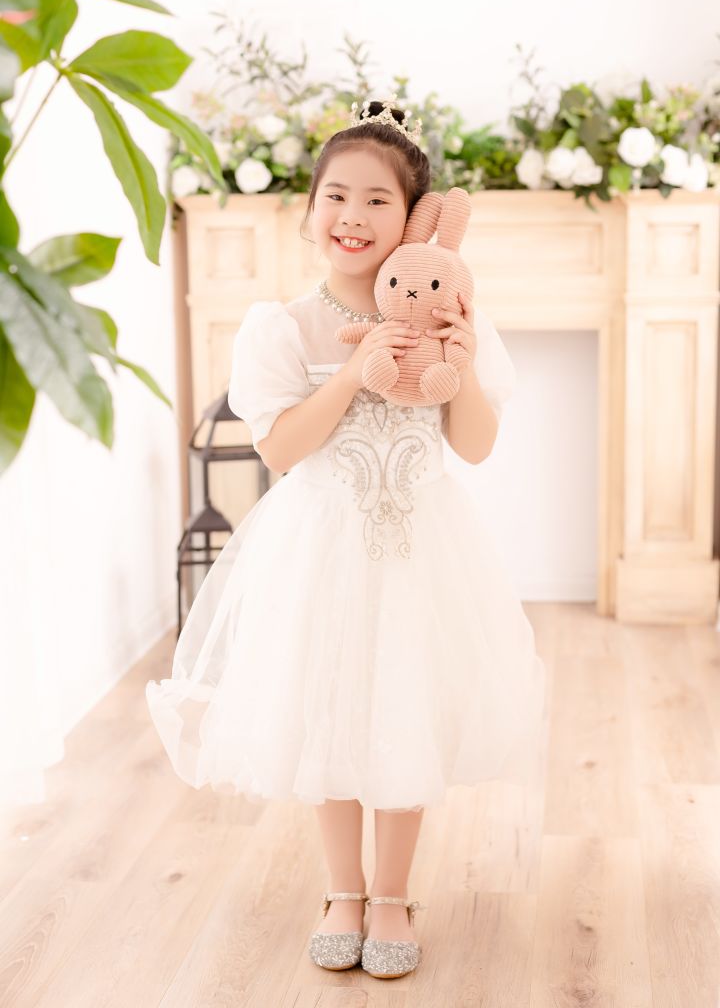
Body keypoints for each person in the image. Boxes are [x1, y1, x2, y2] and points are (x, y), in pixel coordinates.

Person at [145, 96, 546, 980]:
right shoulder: (284, 325)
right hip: (321, 546)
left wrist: (459, 360)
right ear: (311, 208)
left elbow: (476, 446)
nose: (353, 216)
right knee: (325, 707)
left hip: (421, 549)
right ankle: (343, 890)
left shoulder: (453, 314)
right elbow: (282, 450)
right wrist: (354, 375)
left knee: (406, 704)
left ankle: (393, 894)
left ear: (416, 219)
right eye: (336, 195)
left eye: (377, 200)